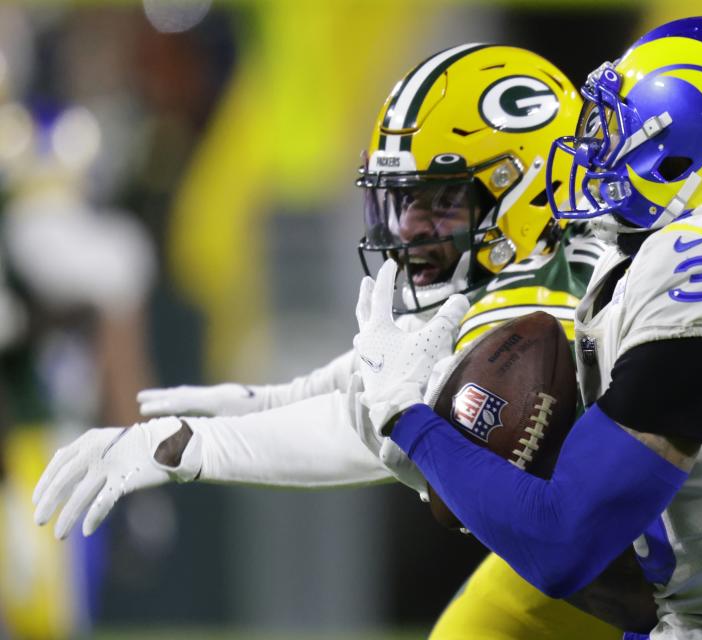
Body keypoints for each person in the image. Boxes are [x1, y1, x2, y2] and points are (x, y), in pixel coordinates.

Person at [32, 45, 633, 638]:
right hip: (606, 554)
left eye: (441, 201)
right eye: (403, 200)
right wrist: (267, 402)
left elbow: (382, 426)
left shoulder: (539, 321)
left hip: (684, 579)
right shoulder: (547, 256)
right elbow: (391, 377)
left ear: (524, 190)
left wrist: (195, 445)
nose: (408, 228)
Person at [354, 17, 702, 639]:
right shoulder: (694, 258)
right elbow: (638, 577)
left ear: (684, 146)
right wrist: (455, 470)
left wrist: (410, 420)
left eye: (618, 123)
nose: (593, 144)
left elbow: (564, 546)